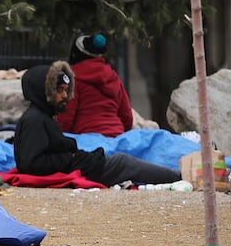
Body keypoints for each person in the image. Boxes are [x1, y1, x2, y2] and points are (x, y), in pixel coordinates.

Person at [13, 61, 180, 187]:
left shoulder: (43, 117)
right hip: (81, 169)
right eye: (59, 90)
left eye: (65, 90)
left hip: (82, 164)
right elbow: (32, 163)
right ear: (45, 92)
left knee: (121, 161)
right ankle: (179, 178)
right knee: (123, 163)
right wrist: (70, 157)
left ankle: (176, 177)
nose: (64, 96)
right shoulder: (35, 121)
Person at [56, 33, 133, 137]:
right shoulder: (114, 78)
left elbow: (66, 119)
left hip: (86, 140)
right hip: (116, 137)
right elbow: (127, 117)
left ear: (76, 54)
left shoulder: (74, 80)